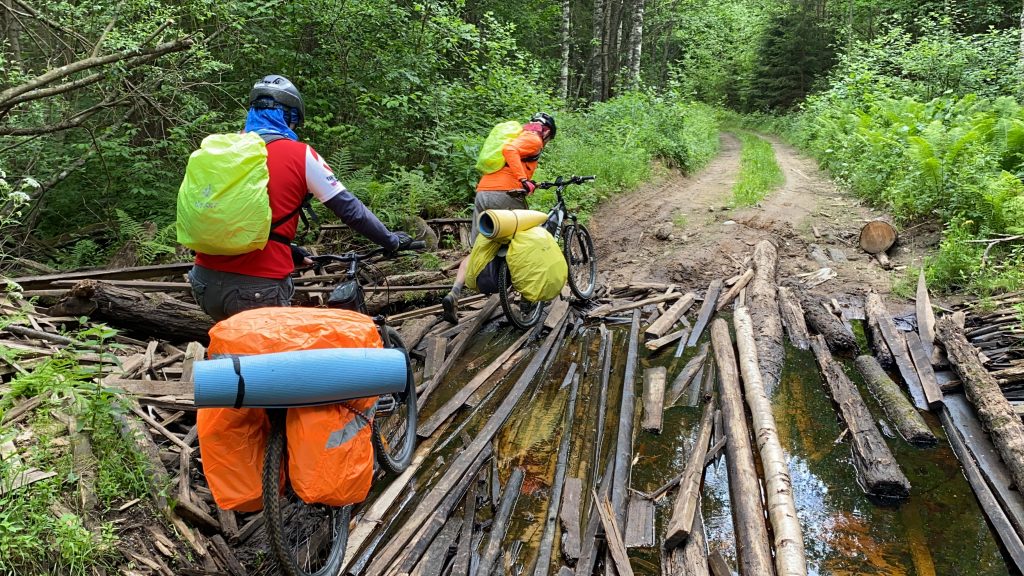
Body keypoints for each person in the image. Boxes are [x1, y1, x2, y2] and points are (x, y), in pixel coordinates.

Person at [189, 74, 412, 321]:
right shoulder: (299, 154)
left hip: (203, 281)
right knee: (267, 358)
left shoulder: (222, 150)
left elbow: (232, 217)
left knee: (232, 353)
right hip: (258, 286)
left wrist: (289, 249)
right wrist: (390, 241)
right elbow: (350, 210)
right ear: (290, 117)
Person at [441, 112, 557, 324]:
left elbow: (510, 158)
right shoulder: (534, 139)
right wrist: (523, 179)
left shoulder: (517, 136)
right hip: (506, 194)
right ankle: (527, 299)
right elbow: (509, 151)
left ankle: (454, 293)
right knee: (526, 243)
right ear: (547, 131)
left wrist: (530, 181)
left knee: (478, 249)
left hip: (483, 192)